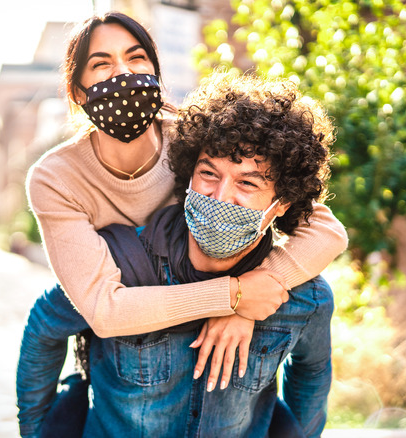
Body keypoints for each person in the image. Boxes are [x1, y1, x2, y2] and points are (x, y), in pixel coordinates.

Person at [18, 11, 347, 436]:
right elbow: (97, 310)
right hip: (136, 290)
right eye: (102, 64)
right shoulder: (58, 178)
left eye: (136, 58)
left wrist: (261, 291)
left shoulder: (203, 141)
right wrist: (233, 297)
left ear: (156, 72)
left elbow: (325, 228)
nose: (123, 73)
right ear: (78, 91)